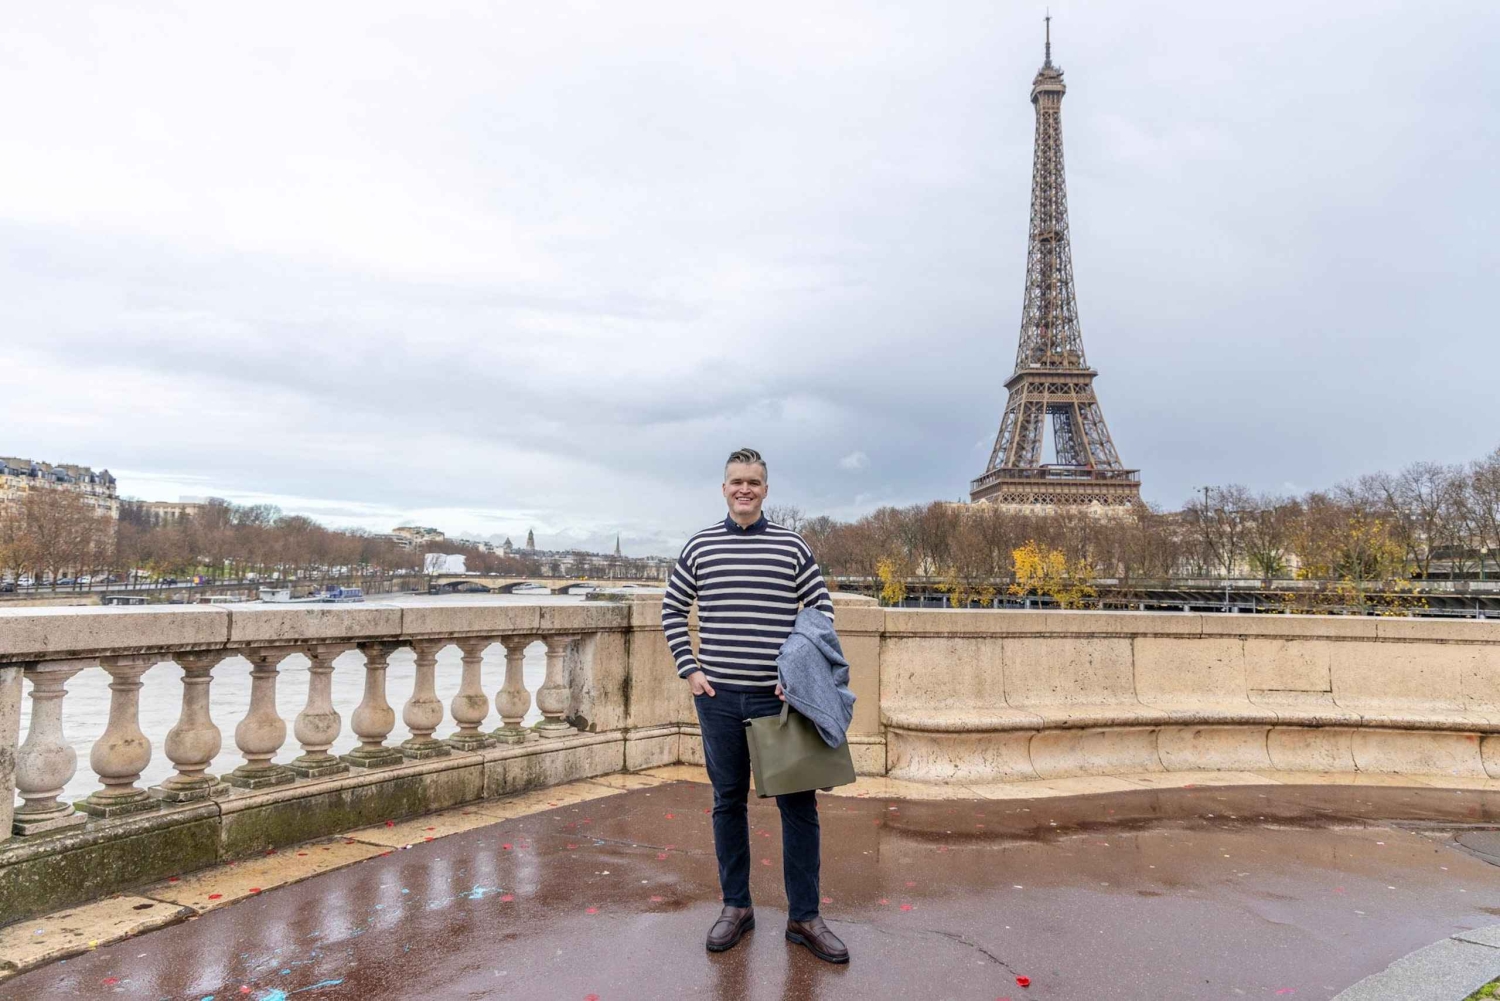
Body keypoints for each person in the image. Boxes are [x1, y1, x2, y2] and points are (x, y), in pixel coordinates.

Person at [661, 447, 850, 964]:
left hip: (777, 700)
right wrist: (691, 670)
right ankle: (736, 906)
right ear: (723, 489)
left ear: (766, 490)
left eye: (754, 482)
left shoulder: (792, 547)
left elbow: (821, 610)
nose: (744, 489)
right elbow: (673, 608)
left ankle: (804, 917)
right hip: (718, 698)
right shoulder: (699, 547)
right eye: (736, 481)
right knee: (727, 802)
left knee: (799, 806)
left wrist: (799, 674)